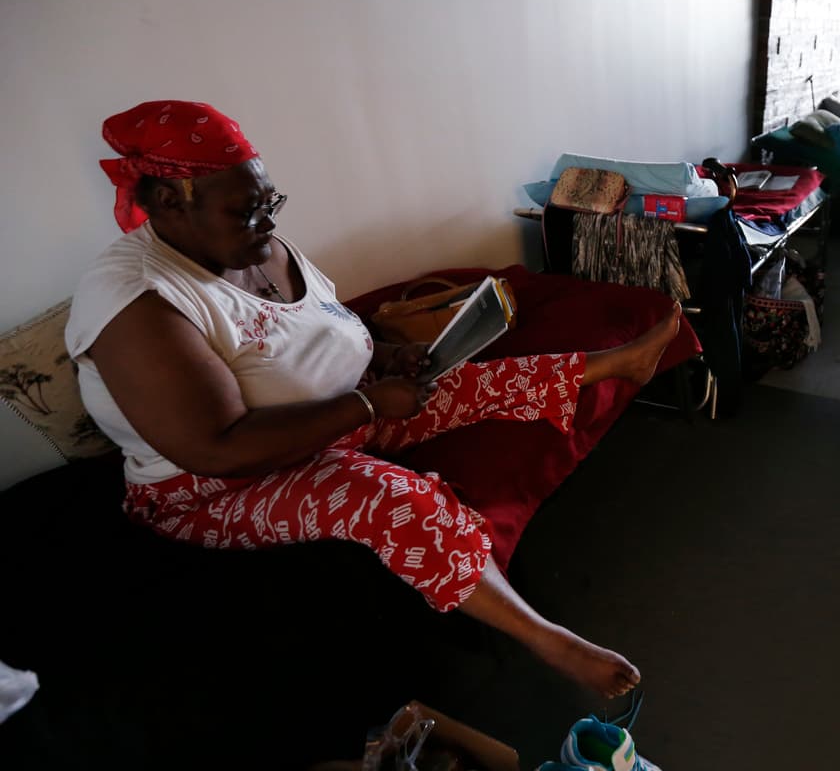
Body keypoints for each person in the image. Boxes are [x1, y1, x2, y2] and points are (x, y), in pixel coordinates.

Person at [66, 100, 684, 700]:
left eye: (269, 203)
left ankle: (615, 363)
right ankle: (546, 639)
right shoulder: (138, 303)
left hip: (338, 416)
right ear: (172, 201)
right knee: (389, 497)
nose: (269, 223)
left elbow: (328, 328)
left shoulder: (257, 248)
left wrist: (389, 360)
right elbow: (216, 447)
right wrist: (367, 407)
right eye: (248, 212)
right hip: (210, 487)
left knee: (460, 380)